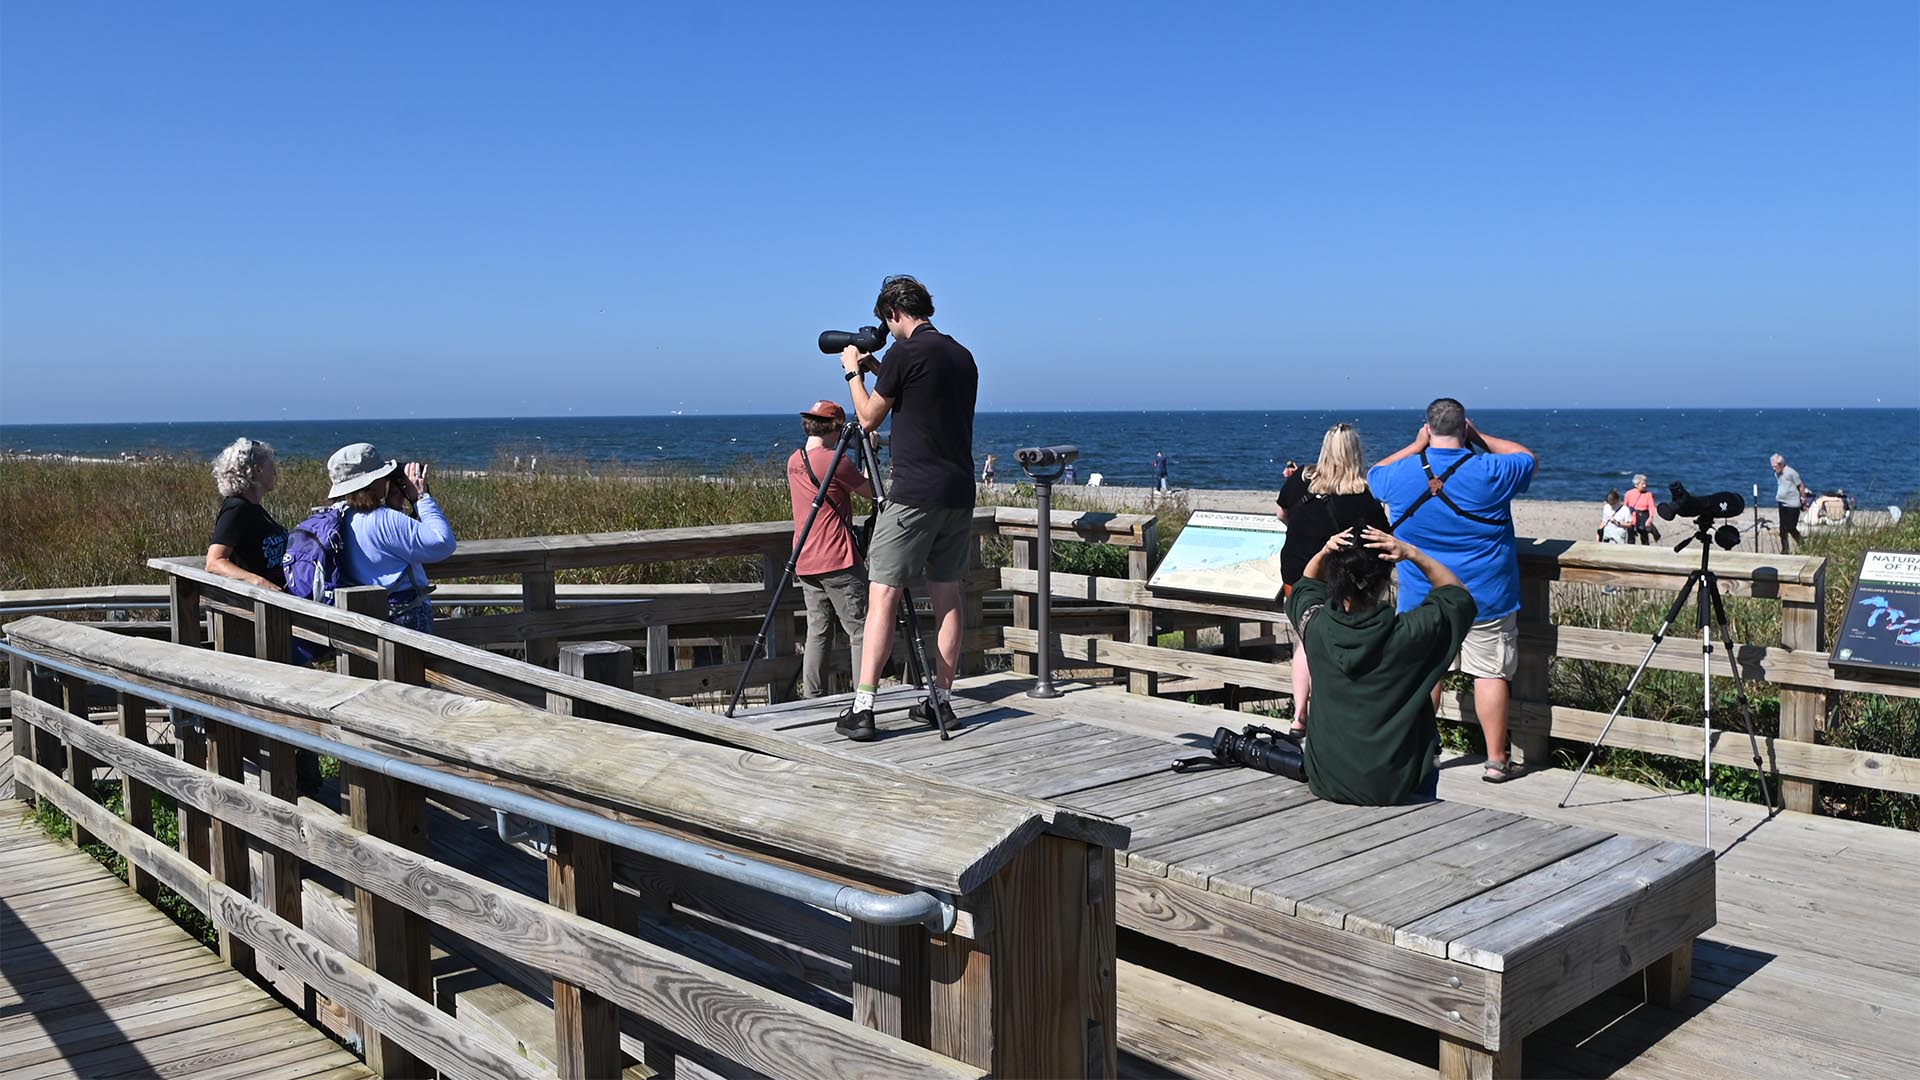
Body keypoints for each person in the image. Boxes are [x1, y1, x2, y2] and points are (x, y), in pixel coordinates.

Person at [838, 275, 979, 742]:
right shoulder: (961, 356)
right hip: (958, 493)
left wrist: (853, 373)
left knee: (883, 594)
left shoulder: (905, 352)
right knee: (947, 597)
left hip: (914, 494)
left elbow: (867, 417)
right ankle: (940, 700)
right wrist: (883, 370)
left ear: (894, 313)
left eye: (887, 321)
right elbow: (923, 394)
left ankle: (863, 707)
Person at [1369, 399, 1536, 783]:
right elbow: (1528, 458)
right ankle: (1496, 760)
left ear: (1427, 428)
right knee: (1490, 673)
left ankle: (1424, 752)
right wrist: (1480, 437)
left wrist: (1416, 446)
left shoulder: (1401, 474)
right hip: (1485, 594)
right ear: (1465, 428)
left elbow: (1374, 473)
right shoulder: (1491, 469)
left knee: (1426, 673)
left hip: (1422, 595)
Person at [1287, 526, 1476, 805]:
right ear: (1385, 580)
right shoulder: (1408, 634)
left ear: (1334, 578)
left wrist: (1325, 552)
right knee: (1428, 744)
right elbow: (1457, 596)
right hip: (1397, 785)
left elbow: (1304, 586)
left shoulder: (1315, 627)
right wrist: (1413, 554)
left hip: (1327, 779)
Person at [1274, 424, 1391, 736]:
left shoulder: (1301, 480)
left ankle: (1299, 715)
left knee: (1306, 641)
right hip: (1342, 579)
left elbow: (1281, 514)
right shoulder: (1362, 495)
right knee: (1343, 643)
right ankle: (1337, 715)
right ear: (1356, 452)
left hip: (1297, 573)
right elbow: (1379, 537)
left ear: (1325, 448)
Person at [786, 400, 873, 698]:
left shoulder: (793, 460)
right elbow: (873, 494)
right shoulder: (838, 462)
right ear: (836, 428)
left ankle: (812, 697)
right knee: (861, 631)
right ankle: (863, 697)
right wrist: (869, 453)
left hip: (805, 558)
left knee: (818, 631)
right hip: (838, 558)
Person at [326, 443, 457, 633]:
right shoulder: (385, 518)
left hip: (365, 617)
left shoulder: (340, 516)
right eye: (383, 475)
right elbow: (443, 543)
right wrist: (421, 498)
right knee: (407, 664)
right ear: (371, 482)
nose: (386, 480)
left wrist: (394, 506)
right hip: (405, 615)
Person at [206, 437, 288, 590]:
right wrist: (257, 581)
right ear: (257, 470)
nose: (275, 472)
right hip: (261, 604)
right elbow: (214, 561)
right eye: (271, 466)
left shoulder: (254, 508)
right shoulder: (236, 508)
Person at [1772, 453, 1808, 553]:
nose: (1774, 469)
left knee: (1791, 527)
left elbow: (1801, 486)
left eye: (1775, 466)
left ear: (1781, 464)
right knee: (1782, 528)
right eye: (1773, 467)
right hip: (1782, 502)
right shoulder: (1777, 473)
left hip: (1792, 503)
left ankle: (1803, 545)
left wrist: (1803, 499)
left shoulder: (1791, 473)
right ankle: (1785, 549)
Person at [1623, 474, 1660, 544]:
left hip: (1644, 518)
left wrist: (1650, 518)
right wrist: (1624, 519)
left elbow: (1651, 507)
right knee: (1630, 539)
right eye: (1642, 484)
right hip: (1632, 519)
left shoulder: (1648, 494)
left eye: (1645, 483)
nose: (1644, 486)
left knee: (1645, 539)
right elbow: (1625, 507)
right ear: (1636, 485)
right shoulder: (1628, 493)